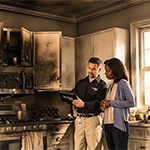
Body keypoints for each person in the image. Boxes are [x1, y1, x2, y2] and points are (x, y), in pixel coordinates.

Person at [71, 57, 107, 150]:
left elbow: (98, 103)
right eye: (89, 68)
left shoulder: (102, 85)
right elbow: (72, 95)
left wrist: (84, 104)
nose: (90, 71)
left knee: (94, 148)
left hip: (93, 120)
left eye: (94, 69)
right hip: (79, 120)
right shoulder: (81, 83)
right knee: (78, 148)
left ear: (99, 70)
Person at [100, 58, 135, 150]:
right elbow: (111, 105)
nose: (105, 73)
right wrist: (104, 103)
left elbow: (131, 102)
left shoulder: (123, 83)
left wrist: (111, 102)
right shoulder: (110, 85)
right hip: (108, 125)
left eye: (108, 71)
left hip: (118, 127)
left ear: (115, 71)